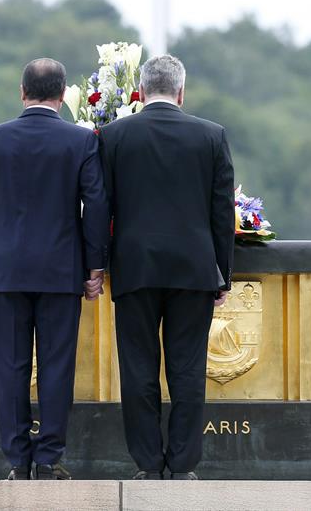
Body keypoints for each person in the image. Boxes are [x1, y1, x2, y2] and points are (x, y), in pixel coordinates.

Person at [0, 58, 108, 481]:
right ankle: (48, 459)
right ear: (64, 95)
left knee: (9, 367)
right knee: (56, 365)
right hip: (61, 271)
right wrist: (95, 265)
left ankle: (16, 459)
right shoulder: (80, 142)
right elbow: (96, 206)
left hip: (6, 270)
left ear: (21, 91)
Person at [96, 54, 234, 480]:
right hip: (193, 269)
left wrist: (98, 264)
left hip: (134, 267)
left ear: (139, 91)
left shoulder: (114, 136)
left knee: (138, 368)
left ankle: (148, 464)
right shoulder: (211, 136)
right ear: (181, 91)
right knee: (188, 369)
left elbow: (101, 208)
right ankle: (183, 464)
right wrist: (222, 273)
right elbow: (221, 213)